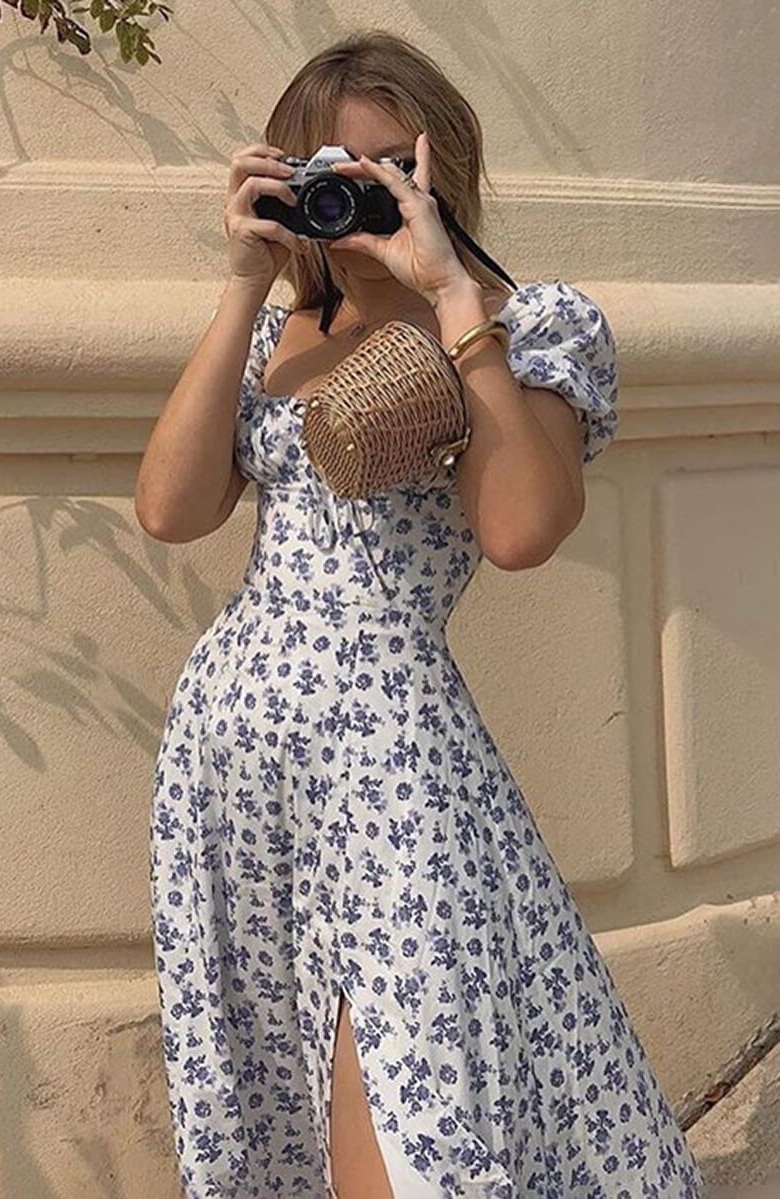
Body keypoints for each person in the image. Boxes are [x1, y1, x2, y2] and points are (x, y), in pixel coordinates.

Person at [138, 28, 706, 1199]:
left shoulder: (527, 323)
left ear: (443, 163)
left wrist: (452, 297)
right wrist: (244, 277)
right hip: (231, 765)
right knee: (269, 1098)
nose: (356, 201)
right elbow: (169, 508)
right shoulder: (275, 334)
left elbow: (519, 528)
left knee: (417, 1115)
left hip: (392, 771)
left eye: (387, 167)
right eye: (325, 177)